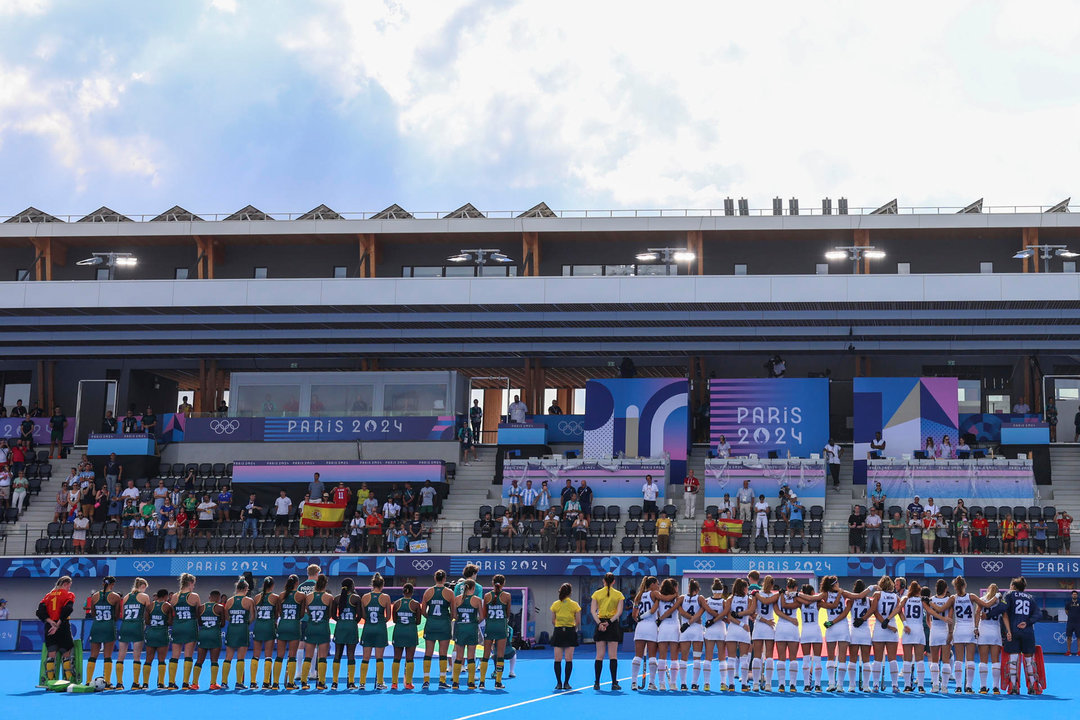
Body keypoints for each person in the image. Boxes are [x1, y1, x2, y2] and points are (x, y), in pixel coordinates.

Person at [1001, 576, 1040, 694]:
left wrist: (1007, 631)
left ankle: (1013, 686)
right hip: (1027, 631)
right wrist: (1027, 622)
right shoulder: (1031, 598)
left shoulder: (1008, 595)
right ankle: (1033, 685)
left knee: (1013, 658)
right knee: (1029, 659)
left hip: (1013, 630)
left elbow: (1003, 611)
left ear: (1013, 586)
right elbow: (1038, 614)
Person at [589, 572, 624, 691]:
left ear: (603, 581)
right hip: (612, 624)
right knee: (613, 655)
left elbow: (593, 611)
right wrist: (609, 622)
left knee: (599, 655)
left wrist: (600, 623)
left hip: (600, 623)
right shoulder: (619, 594)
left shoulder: (596, 594)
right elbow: (619, 612)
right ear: (613, 581)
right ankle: (614, 682)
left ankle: (597, 683)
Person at [421, 569, 455, 689]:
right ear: (444, 579)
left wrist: (431, 618)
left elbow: (423, 611)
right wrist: (446, 619)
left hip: (431, 624)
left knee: (428, 653)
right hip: (444, 624)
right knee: (443, 654)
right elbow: (453, 613)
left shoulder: (428, 592)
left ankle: (426, 680)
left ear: (435, 578)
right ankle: (442, 680)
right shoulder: (449, 593)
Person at [85, 575, 120, 687]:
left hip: (96, 626)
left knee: (93, 655)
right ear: (113, 584)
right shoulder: (115, 597)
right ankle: (108, 682)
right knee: (107, 656)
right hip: (108, 626)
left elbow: (93, 613)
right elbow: (116, 615)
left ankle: (88, 681)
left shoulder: (95, 596)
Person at [115, 577, 150, 690]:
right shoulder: (144, 597)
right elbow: (148, 612)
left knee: (121, 655)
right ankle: (135, 683)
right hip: (137, 626)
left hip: (125, 625)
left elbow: (124, 614)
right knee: (137, 656)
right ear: (143, 587)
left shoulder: (126, 597)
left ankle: (119, 683)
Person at [299, 574, 332, 689]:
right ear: (325, 584)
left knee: (308, 656)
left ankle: (303, 682)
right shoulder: (329, 597)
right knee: (322, 656)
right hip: (323, 627)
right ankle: (321, 683)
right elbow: (331, 614)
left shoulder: (308, 596)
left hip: (311, 627)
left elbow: (306, 612)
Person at [478, 575, 511, 690]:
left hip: (490, 627)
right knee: (500, 655)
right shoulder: (507, 596)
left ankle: (482, 682)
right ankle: (498, 682)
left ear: (492, 583)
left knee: (485, 655)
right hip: (501, 627)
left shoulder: (487, 596)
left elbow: (484, 614)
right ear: (503, 583)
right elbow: (508, 614)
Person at [360, 572, 392, 690]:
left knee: (365, 658)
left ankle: (362, 683)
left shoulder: (365, 597)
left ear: (372, 585)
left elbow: (363, 615)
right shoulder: (385, 597)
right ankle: (379, 682)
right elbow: (388, 617)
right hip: (380, 628)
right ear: (382, 585)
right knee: (379, 657)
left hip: (368, 628)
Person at [168, 572, 200, 689]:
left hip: (177, 626)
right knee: (188, 655)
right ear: (190, 583)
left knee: (174, 655)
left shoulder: (174, 596)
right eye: (193, 584)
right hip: (189, 626)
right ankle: (185, 683)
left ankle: (171, 682)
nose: (194, 587)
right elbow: (198, 612)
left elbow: (172, 611)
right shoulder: (194, 596)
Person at [221, 577, 254, 690]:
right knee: (241, 658)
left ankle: (224, 682)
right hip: (242, 629)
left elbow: (226, 616)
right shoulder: (249, 601)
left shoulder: (230, 600)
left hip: (232, 629)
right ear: (245, 588)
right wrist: (246, 623)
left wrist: (233, 622)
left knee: (228, 657)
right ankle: (239, 682)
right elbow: (253, 617)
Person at [749, 575, 780, 691]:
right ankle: (768, 684)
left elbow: (752, 612)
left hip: (759, 626)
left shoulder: (756, 595)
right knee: (769, 656)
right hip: (770, 626)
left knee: (757, 656)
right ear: (772, 585)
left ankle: (756, 684)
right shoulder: (775, 596)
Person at [451, 578, 482, 689]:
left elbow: (454, 616)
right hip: (472, 628)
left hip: (460, 628)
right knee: (471, 657)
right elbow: (482, 616)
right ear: (473, 588)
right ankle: (471, 682)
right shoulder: (477, 600)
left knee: (459, 656)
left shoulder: (457, 599)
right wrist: (474, 622)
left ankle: (455, 682)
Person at [274, 575, 304, 689]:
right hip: (294, 625)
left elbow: (280, 612)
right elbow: (301, 614)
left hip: (283, 625)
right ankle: (290, 683)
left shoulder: (281, 595)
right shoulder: (301, 595)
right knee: (292, 656)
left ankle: (275, 683)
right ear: (297, 583)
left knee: (279, 656)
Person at [329, 578, 360, 689]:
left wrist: (341, 621)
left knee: (338, 654)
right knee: (351, 654)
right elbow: (360, 615)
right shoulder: (356, 598)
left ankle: (334, 682)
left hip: (340, 626)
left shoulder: (337, 598)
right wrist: (352, 622)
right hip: (351, 626)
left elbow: (333, 616)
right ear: (352, 586)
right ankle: (351, 682)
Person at [390, 582, 421, 690]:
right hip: (411, 632)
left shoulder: (397, 603)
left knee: (396, 658)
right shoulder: (416, 604)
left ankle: (394, 683)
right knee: (410, 659)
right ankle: (408, 683)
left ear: (403, 592)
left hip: (399, 631)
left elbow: (394, 620)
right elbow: (418, 621)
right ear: (412, 592)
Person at [551, 582, 581, 691]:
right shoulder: (574, 605)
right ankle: (566, 683)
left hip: (558, 631)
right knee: (569, 659)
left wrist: (559, 625)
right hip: (570, 631)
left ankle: (558, 683)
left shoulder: (555, 604)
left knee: (557, 659)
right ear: (570, 593)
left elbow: (553, 620)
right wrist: (572, 627)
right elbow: (578, 621)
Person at [725, 578, 753, 692]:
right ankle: (744, 684)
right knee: (744, 658)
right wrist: (743, 624)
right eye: (747, 587)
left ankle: (731, 684)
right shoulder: (749, 599)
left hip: (732, 629)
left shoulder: (730, 599)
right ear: (744, 588)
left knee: (731, 658)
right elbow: (751, 611)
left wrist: (739, 623)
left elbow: (729, 616)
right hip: (744, 630)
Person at [191, 589, 223, 690]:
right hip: (214, 634)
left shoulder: (201, 608)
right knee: (214, 660)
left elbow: (199, 623)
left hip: (203, 634)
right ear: (218, 598)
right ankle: (213, 683)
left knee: (199, 660)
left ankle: (194, 683)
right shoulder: (220, 607)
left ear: (209, 597)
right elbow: (222, 624)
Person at [251, 576, 278, 690]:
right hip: (269, 626)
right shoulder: (275, 597)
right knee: (268, 655)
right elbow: (277, 614)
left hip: (258, 626)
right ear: (272, 586)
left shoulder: (257, 597)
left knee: (255, 655)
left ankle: (253, 682)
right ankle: (266, 682)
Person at [975, 583, 1003, 693]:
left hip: (984, 630)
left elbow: (977, 613)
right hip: (995, 630)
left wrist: (975, 627)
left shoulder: (982, 599)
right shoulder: (999, 601)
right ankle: (996, 687)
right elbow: (1004, 616)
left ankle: (983, 687)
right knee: (995, 660)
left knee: (983, 660)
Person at [143, 589, 172, 689]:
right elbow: (170, 621)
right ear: (165, 596)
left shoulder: (150, 606)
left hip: (151, 633)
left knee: (148, 659)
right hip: (162, 633)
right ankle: (160, 683)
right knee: (161, 660)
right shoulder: (167, 606)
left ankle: (145, 683)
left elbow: (146, 621)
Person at [900, 581, 926, 692]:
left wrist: (905, 624)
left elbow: (899, 611)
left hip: (908, 629)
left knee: (907, 660)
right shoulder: (922, 600)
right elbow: (929, 611)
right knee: (920, 660)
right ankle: (920, 686)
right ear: (919, 590)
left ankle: (907, 685)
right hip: (919, 630)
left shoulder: (905, 599)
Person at [1064, 590, 1080, 657]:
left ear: (1077, 595)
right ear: (1071, 595)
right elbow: (1066, 611)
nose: (1074, 595)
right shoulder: (1068, 603)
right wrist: (1071, 616)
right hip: (1070, 622)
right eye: (1073, 594)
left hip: (1078, 623)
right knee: (1069, 637)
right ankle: (1068, 651)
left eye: (1075, 594)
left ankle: (1079, 652)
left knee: (1079, 637)